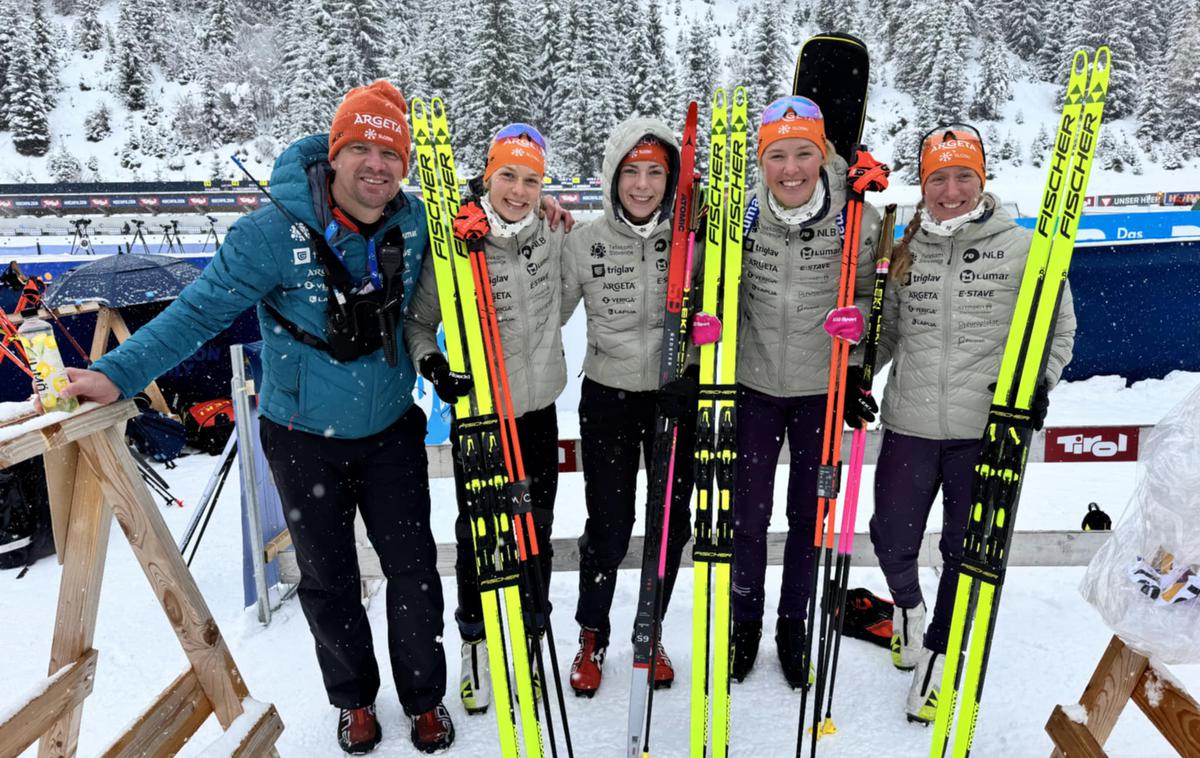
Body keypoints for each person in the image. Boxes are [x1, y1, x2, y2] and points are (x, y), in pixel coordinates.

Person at [56, 80, 456, 754]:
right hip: (301, 438)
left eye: (391, 154)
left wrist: (546, 220)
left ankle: (425, 697)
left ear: (405, 166)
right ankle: (354, 699)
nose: (376, 166)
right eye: (359, 148)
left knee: (413, 569)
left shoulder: (416, 222)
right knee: (327, 579)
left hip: (390, 429)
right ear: (333, 153)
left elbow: (492, 241)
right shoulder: (269, 232)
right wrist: (116, 373)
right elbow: (198, 312)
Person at [870, 124, 1075, 723]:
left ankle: (937, 658)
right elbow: (889, 334)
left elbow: (1057, 330)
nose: (951, 190)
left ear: (982, 181)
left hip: (984, 429)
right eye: (939, 178)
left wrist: (1041, 381)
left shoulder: (1023, 248)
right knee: (891, 536)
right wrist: (859, 372)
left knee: (968, 552)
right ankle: (907, 608)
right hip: (909, 421)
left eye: (964, 177)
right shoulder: (905, 247)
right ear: (924, 183)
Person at [405, 123, 567, 716]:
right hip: (480, 414)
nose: (519, 191)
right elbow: (418, 323)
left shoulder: (551, 232)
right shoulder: (454, 240)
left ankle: (528, 632)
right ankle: (476, 638)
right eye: (508, 176)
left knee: (536, 530)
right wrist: (435, 366)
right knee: (480, 535)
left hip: (538, 408)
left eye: (532, 180)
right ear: (487, 174)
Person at [731, 96, 882, 688]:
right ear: (761, 161)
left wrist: (860, 338)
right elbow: (712, 290)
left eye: (802, 154)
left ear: (822, 156)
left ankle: (792, 624)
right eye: (776, 156)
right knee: (746, 514)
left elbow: (876, 295)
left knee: (808, 516)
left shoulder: (858, 218)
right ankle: (745, 622)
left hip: (821, 391)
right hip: (753, 387)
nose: (790, 169)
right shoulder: (739, 216)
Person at [559, 117, 700, 696]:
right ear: (613, 175)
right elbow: (548, 309)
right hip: (610, 397)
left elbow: (723, 311)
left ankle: (652, 624)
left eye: (655, 174)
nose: (642, 186)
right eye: (631, 172)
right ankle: (593, 633)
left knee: (671, 524)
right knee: (611, 527)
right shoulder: (583, 240)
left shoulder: (696, 238)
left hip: (676, 395)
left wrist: (694, 373)